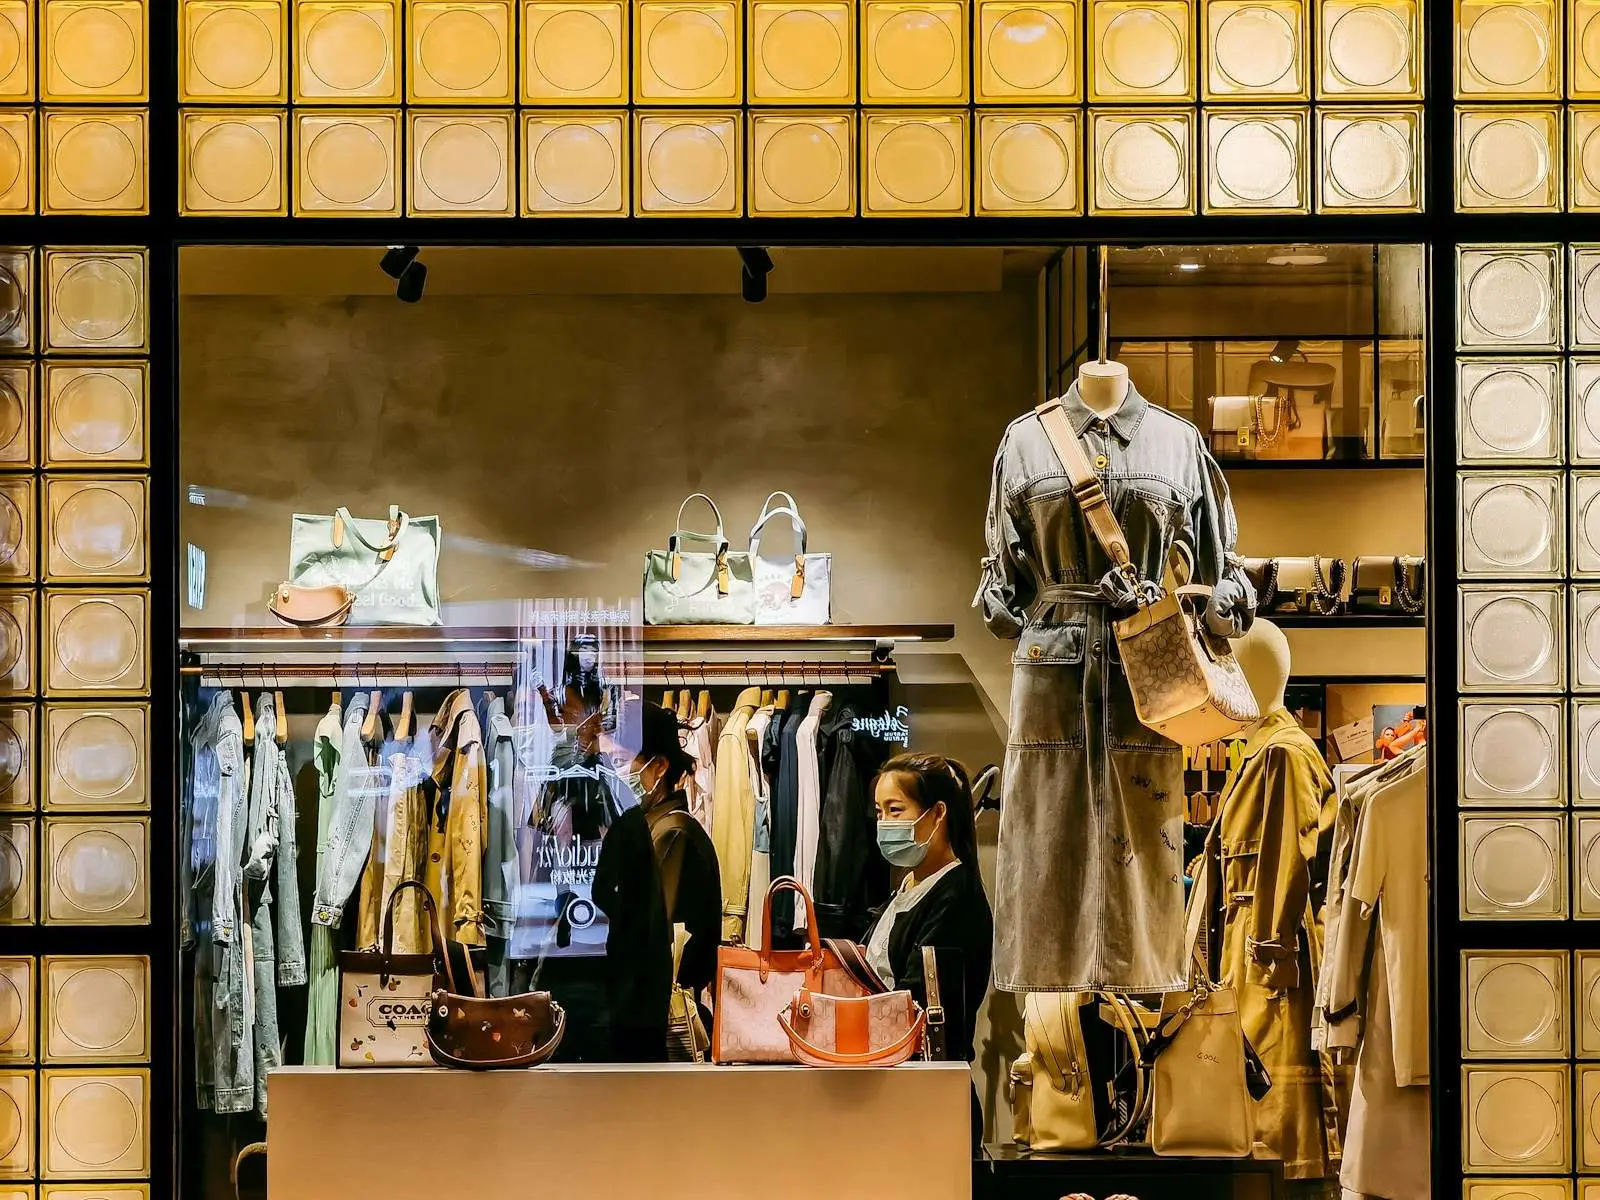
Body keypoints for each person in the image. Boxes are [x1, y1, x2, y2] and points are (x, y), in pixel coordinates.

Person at [593, 701, 720, 1060]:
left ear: (660, 766)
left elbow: (648, 940)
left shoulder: (670, 835)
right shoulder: (648, 830)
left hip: (658, 1026)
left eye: (620, 761)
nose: (611, 773)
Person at [863, 753, 994, 1069]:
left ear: (937, 814)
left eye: (895, 811)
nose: (884, 824)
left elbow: (918, 1001)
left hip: (926, 1086)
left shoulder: (956, 896)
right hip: (893, 1074)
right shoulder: (910, 884)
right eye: (880, 812)